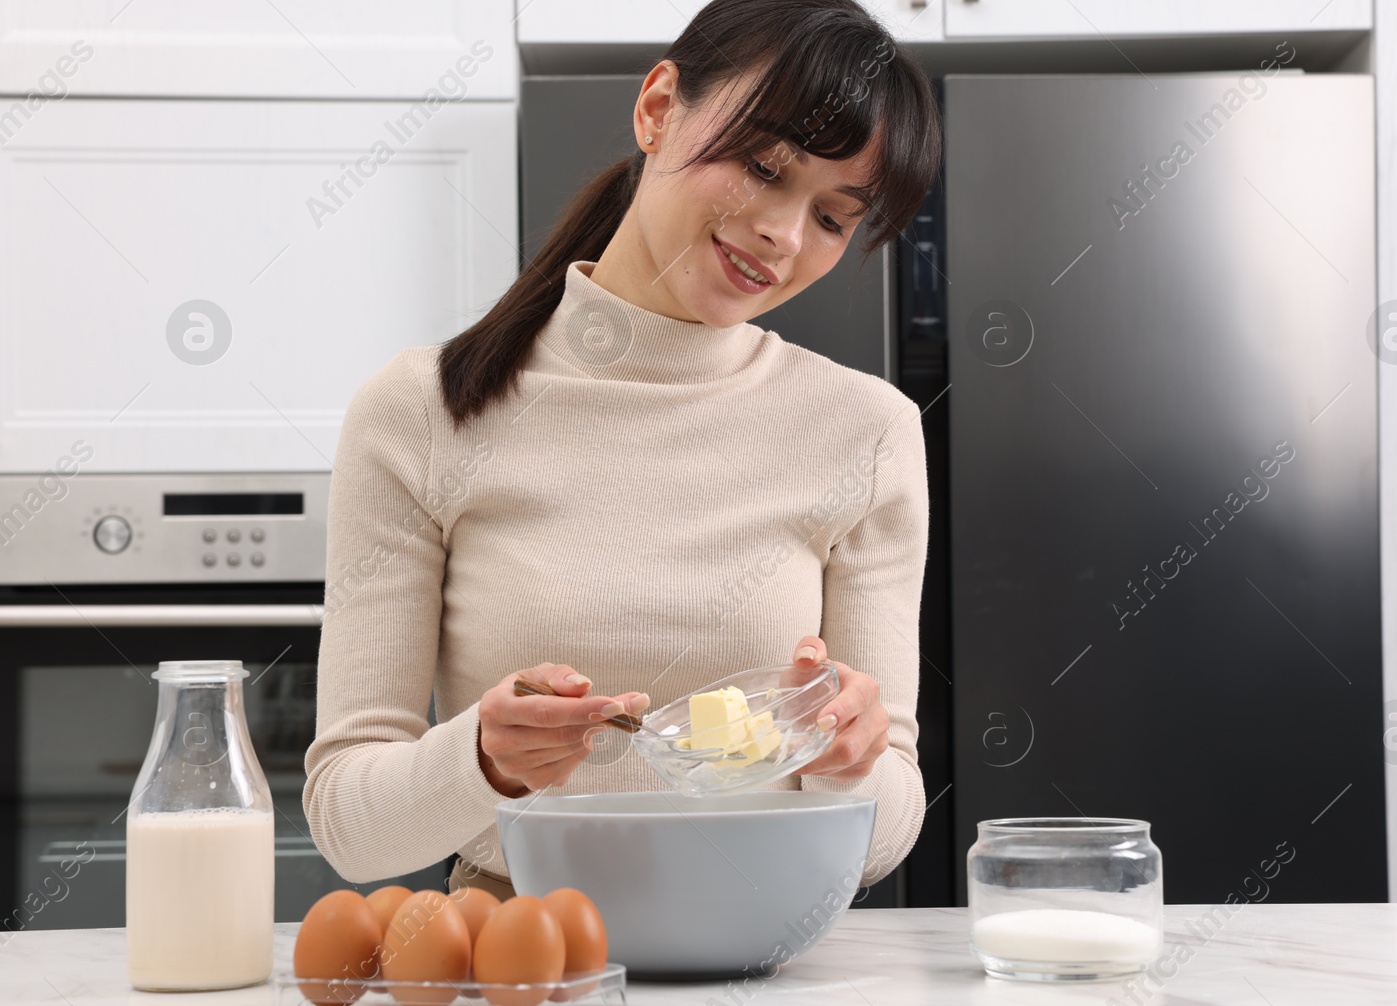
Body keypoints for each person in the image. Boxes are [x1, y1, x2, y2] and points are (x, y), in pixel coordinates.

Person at [304, 0, 942, 901]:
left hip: (766, 993)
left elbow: (887, 828)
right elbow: (347, 825)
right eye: (764, 167)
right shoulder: (421, 411)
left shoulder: (866, 430)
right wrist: (482, 758)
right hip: (521, 987)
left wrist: (846, 757)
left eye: (835, 219)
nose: (784, 235)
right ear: (657, 108)